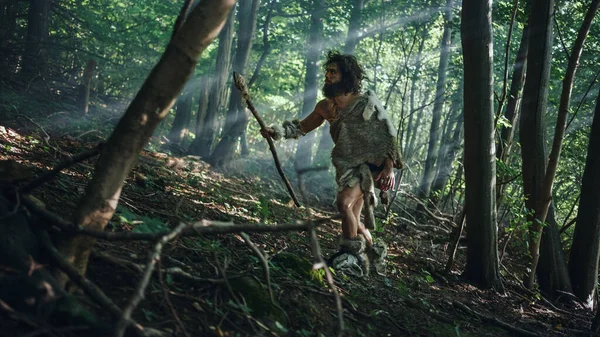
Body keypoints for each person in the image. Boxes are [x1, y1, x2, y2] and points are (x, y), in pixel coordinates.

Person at [262, 50, 403, 276]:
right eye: (327, 71)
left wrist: (389, 168)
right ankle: (374, 252)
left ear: (346, 76)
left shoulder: (367, 103)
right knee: (354, 218)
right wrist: (275, 132)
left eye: (333, 72)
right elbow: (301, 127)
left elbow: (388, 135)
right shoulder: (325, 107)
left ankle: (350, 255)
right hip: (346, 165)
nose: (328, 76)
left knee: (344, 203)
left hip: (370, 167)